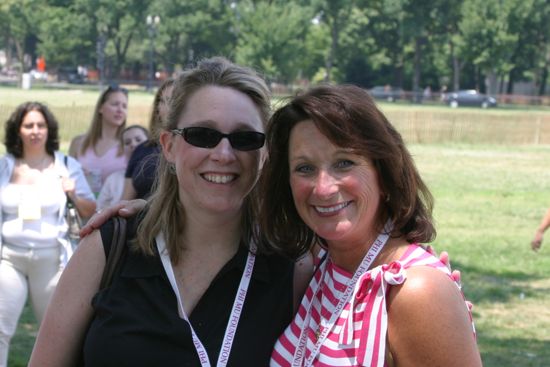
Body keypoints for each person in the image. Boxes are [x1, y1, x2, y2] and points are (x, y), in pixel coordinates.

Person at [29, 57, 312, 366]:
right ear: (169, 145)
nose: (223, 154)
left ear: (265, 153)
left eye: (245, 139)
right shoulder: (110, 246)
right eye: (202, 135)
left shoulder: (291, 269)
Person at [262, 85, 481, 366]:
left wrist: (437, 302)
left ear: (385, 173)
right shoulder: (325, 263)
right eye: (305, 168)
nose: (324, 188)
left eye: (344, 163)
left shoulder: (414, 292)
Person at [0, 102, 96, 366]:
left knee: (56, 334)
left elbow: (90, 209)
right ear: (17, 130)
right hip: (8, 260)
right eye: (28, 125)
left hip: (51, 260)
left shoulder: (65, 164)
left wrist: (72, 193)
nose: (35, 131)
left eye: (40, 125)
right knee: (0, 330)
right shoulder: (5, 166)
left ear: (48, 129)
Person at [68, 85, 128, 196]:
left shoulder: (129, 146)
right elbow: (67, 179)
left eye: (124, 106)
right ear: (100, 108)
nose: (120, 110)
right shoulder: (78, 143)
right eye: (115, 104)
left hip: (115, 210)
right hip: (82, 208)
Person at [121, 78, 174, 200]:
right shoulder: (142, 149)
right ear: (157, 109)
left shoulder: (195, 147)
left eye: (172, 100)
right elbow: (125, 201)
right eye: (162, 101)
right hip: (141, 217)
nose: (167, 106)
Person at [96, 125, 149, 210]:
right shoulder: (113, 179)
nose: (133, 144)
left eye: (138, 140)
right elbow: (100, 209)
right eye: (127, 142)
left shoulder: (161, 176)